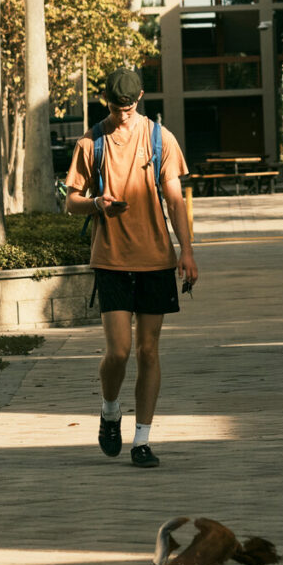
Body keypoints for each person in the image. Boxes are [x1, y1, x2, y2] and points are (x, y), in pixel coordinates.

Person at [63, 65, 198, 468]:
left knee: (149, 350)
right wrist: (95, 204)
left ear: (140, 99)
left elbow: (175, 200)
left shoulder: (160, 138)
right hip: (111, 258)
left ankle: (142, 441)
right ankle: (109, 411)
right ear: (106, 100)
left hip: (156, 258)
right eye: (116, 106)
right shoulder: (91, 143)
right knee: (119, 351)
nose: (123, 113)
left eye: (129, 106)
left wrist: (186, 252)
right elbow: (71, 200)